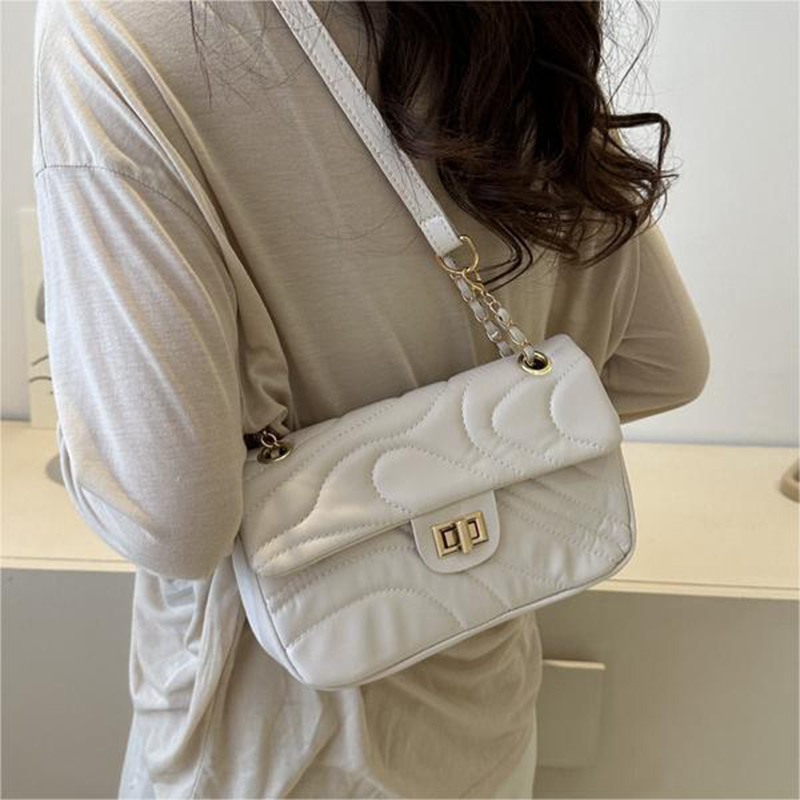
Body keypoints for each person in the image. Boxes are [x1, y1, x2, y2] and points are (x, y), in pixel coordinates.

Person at [31, 1, 710, 797]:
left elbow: (173, 521)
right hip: (485, 723)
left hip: (268, 750)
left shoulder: (112, 28)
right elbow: (665, 363)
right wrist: (477, 457)